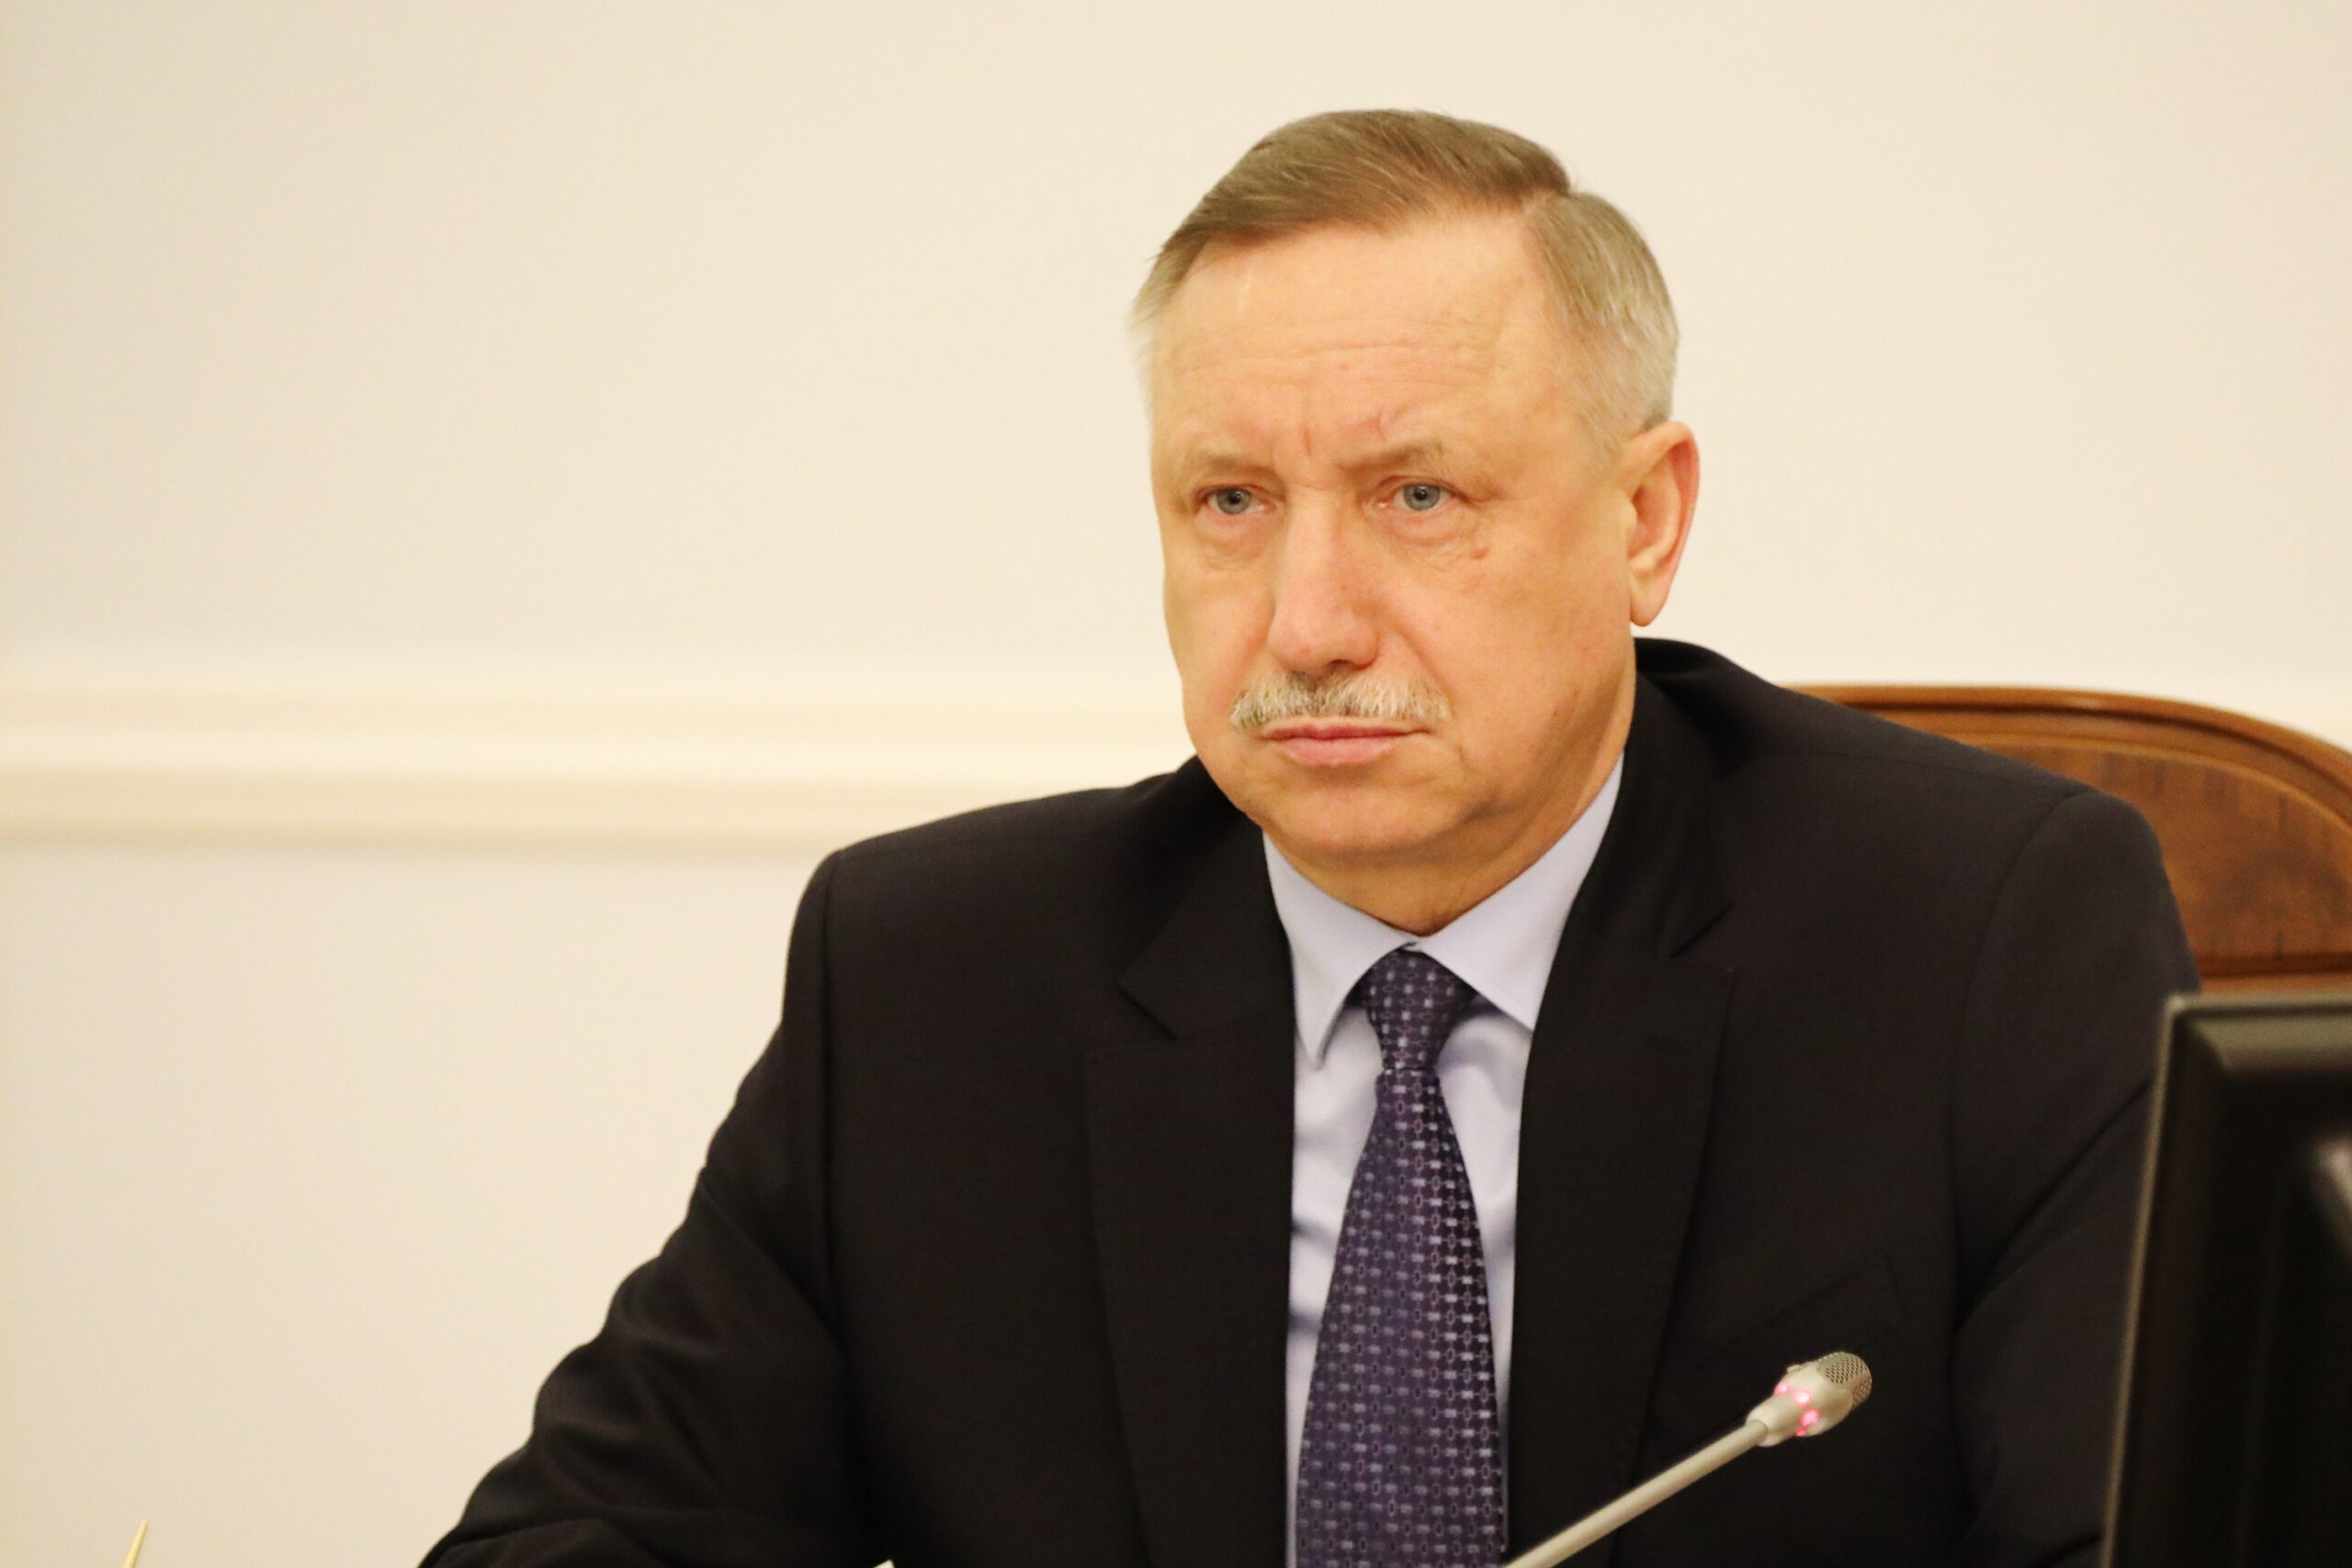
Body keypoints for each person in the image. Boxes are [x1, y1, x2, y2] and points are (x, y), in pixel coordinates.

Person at [424, 110, 2196, 1568]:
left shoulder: (1985, 940)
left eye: (1418, 495)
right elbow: (576, 1542)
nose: (1307, 622)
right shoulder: (932, 981)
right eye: (1232, 503)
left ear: (1644, 522)